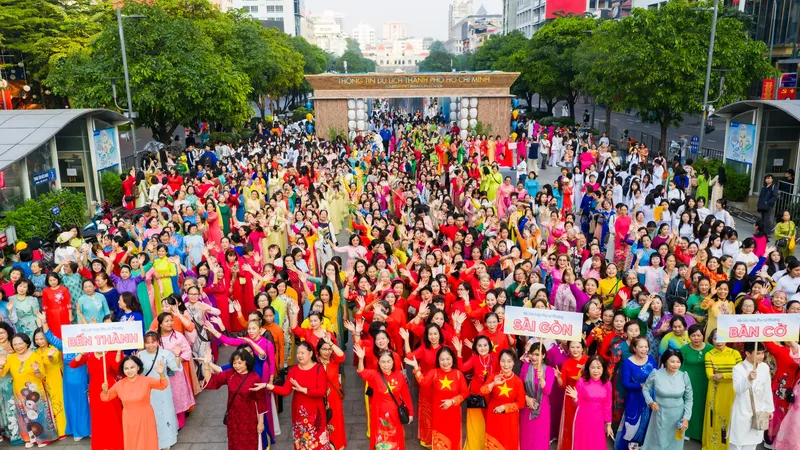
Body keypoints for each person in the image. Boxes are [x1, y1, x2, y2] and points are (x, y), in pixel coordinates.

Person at [262, 342, 329, 448]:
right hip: (299, 415)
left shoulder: (319, 369)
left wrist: (304, 390)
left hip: (316, 415)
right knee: (301, 444)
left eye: (302, 353)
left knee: (318, 443)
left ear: (310, 354)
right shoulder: (293, 370)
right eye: (298, 353)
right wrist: (268, 386)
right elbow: (285, 390)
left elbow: (322, 391)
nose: (299, 355)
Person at [0, 333, 60, 447]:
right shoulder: (10, 358)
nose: (18, 346)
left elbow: (41, 375)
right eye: (15, 344)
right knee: (24, 416)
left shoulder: (35, 356)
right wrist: (1, 365)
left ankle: (43, 438)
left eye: (20, 343)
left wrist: (37, 370)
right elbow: (1, 374)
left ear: (26, 343)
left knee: (38, 414)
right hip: (19, 392)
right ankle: (29, 438)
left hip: (35, 391)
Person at [202, 348, 267, 450]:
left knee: (249, 445)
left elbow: (260, 402)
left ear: (247, 362)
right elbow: (212, 381)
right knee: (235, 444)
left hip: (249, 419)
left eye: (240, 363)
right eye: (234, 363)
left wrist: (261, 422)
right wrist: (206, 364)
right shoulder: (230, 374)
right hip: (234, 419)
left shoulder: (255, 378)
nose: (237, 366)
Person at [100, 355, 169, 450]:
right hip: (129, 419)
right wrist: (104, 390)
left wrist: (161, 374)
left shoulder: (146, 380)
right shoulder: (119, 384)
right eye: (126, 368)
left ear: (138, 367)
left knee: (148, 442)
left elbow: (163, 385)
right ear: (123, 370)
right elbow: (105, 397)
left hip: (145, 417)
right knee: (132, 442)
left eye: (132, 367)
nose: (129, 370)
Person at [406, 345, 467, 450]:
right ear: (438, 360)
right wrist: (416, 367)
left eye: (448, 359)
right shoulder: (434, 373)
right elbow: (423, 383)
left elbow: (465, 392)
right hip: (438, 415)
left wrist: (452, 401)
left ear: (453, 359)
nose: (445, 362)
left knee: (454, 439)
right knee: (439, 441)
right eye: (442, 359)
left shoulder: (458, 374)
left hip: (454, 414)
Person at [356, 345, 413, 450]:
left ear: (393, 362)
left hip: (395, 414)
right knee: (380, 438)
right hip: (379, 414)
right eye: (383, 362)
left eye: (388, 362)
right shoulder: (374, 375)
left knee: (395, 437)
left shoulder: (399, 376)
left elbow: (406, 395)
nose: (386, 365)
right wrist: (360, 359)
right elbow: (362, 372)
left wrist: (410, 413)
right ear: (378, 362)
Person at [641, 349, 693, 450]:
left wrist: (686, 417)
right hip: (660, 413)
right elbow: (646, 389)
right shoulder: (656, 374)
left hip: (678, 416)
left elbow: (689, 398)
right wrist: (650, 402)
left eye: (678, 362)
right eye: (672, 361)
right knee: (658, 441)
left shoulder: (684, 376)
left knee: (675, 442)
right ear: (665, 361)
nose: (675, 365)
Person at [137, 331, 181, 450]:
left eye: (153, 342)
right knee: (151, 414)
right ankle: (152, 439)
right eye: (147, 343)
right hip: (147, 389)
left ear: (158, 342)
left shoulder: (166, 354)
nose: (150, 345)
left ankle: (166, 440)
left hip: (162, 387)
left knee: (165, 412)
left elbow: (175, 367)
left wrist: (177, 355)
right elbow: (137, 373)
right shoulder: (140, 355)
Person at [729, 341, 774, 450]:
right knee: (736, 445)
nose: (761, 356)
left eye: (763, 353)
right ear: (748, 354)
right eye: (758, 353)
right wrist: (748, 379)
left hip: (758, 412)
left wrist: (769, 409)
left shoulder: (764, 367)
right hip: (742, 411)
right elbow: (738, 389)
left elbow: (767, 389)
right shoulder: (738, 368)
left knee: (752, 445)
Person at [615, 336, 657, 450]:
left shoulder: (651, 359)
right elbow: (626, 383)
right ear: (634, 348)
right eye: (641, 347)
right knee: (631, 424)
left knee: (647, 422)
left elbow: (656, 375)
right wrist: (641, 385)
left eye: (646, 346)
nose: (644, 349)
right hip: (634, 398)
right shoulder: (628, 363)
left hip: (650, 397)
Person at [703, 328, 742, 450]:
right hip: (716, 390)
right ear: (712, 340)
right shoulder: (709, 354)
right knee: (714, 415)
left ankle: (730, 445)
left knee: (731, 415)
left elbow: (741, 373)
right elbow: (710, 375)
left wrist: (722, 375)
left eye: (721, 338)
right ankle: (714, 445)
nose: (718, 342)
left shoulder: (735, 353)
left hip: (732, 389)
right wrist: (730, 374)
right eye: (715, 339)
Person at [565, 354, 613, 450]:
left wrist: (608, 424)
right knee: (583, 443)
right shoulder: (581, 382)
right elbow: (577, 404)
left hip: (598, 420)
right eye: (592, 367)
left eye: (598, 368)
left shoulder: (607, 384)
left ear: (603, 369)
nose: (596, 371)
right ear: (588, 368)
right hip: (583, 418)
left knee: (597, 443)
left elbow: (608, 405)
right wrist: (575, 398)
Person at [480, 349, 526, 450]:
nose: (506, 365)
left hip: (510, 419)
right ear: (499, 362)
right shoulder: (493, 376)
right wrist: (493, 384)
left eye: (509, 361)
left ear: (514, 362)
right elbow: (482, 391)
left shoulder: (517, 381)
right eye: (503, 361)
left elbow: (521, 403)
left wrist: (505, 407)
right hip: (493, 416)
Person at [679, 324, 712, 441]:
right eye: (693, 335)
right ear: (689, 337)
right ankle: (688, 431)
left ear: (703, 335)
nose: (696, 338)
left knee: (703, 406)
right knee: (689, 405)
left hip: (706, 382)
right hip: (689, 382)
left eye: (699, 335)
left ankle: (702, 433)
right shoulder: (684, 349)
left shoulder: (710, 348)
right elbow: (680, 367)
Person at [520, 341, 555, 450]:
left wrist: (541, 378)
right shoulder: (525, 366)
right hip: (526, 407)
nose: (534, 357)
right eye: (532, 353)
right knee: (525, 435)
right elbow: (520, 386)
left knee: (539, 437)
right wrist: (526, 398)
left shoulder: (549, 370)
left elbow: (548, 391)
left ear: (543, 355)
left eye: (537, 354)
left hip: (542, 409)